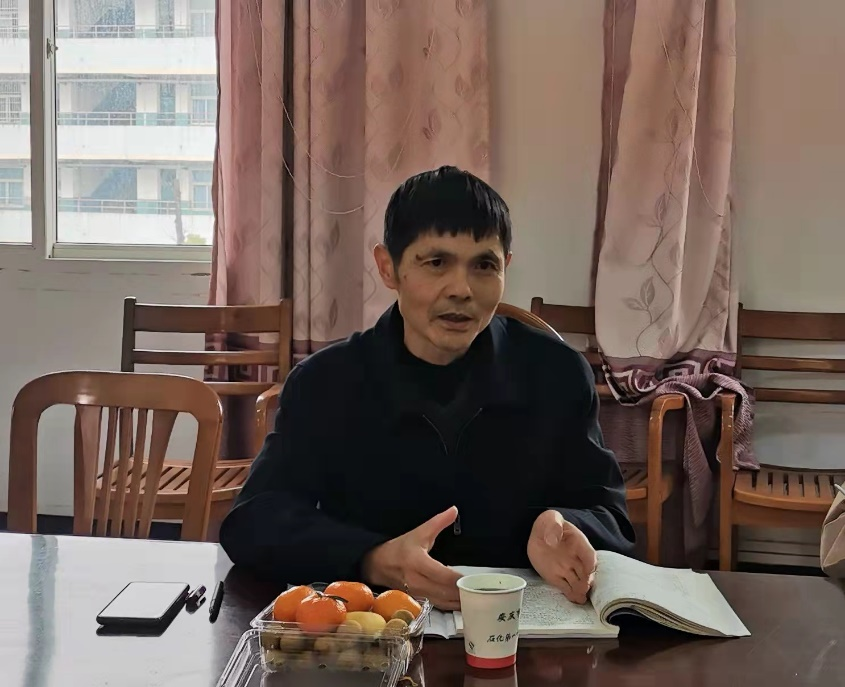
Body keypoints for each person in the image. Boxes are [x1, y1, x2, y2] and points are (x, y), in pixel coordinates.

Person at [219, 166, 635, 610]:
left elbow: (613, 519)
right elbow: (254, 521)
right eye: (436, 263)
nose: (461, 289)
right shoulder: (326, 382)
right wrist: (373, 558)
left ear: (506, 268)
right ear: (388, 267)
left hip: (523, 630)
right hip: (376, 627)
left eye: (484, 266)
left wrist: (561, 526)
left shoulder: (558, 374)